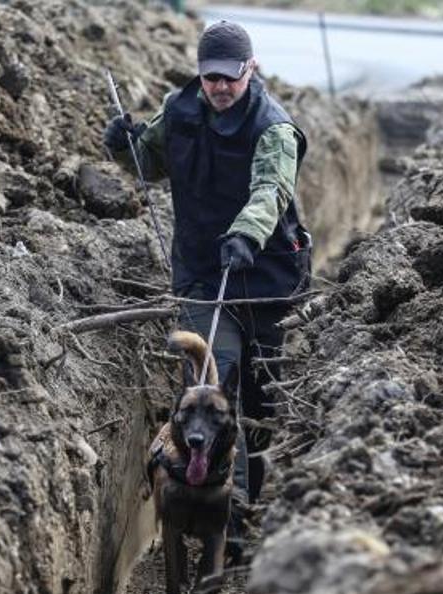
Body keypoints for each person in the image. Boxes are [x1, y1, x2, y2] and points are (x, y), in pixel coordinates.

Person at [103, 20, 311, 561]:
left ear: (251, 70)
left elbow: (271, 189)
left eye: (230, 78)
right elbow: (148, 161)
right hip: (201, 274)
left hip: (264, 278)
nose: (219, 88)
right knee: (215, 389)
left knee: (258, 405)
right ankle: (228, 521)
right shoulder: (180, 109)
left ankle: (245, 501)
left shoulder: (273, 129)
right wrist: (123, 147)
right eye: (210, 77)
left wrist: (245, 234)